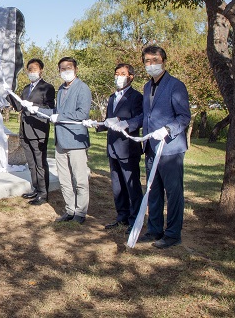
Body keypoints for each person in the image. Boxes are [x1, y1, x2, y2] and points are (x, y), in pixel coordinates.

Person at [111, 46, 190, 248]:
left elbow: (183, 117)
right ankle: (155, 230)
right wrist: (127, 123)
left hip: (171, 148)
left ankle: (172, 234)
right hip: (151, 147)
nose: (151, 64)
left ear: (164, 60)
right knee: (153, 190)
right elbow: (144, 116)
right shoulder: (147, 87)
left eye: (155, 60)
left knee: (173, 193)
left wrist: (167, 129)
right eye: (147, 61)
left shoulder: (175, 85)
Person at [33, 57, 92, 224]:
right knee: (64, 179)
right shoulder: (61, 89)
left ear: (76, 69)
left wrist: (60, 116)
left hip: (76, 141)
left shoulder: (82, 88)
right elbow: (56, 112)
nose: (65, 71)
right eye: (62, 68)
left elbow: (82, 114)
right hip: (61, 141)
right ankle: (69, 210)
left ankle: (80, 212)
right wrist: (39, 111)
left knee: (79, 179)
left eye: (68, 68)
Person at [85, 64, 143, 231]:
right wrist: (97, 124)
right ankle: (122, 216)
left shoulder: (136, 97)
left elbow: (138, 118)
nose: (119, 77)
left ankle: (135, 220)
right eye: (117, 73)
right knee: (117, 186)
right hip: (112, 148)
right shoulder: (112, 97)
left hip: (128, 149)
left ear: (131, 77)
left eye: (123, 74)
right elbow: (109, 121)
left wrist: (122, 121)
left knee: (132, 186)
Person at [8, 58, 55, 206]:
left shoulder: (47, 88)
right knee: (31, 163)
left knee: (40, 163)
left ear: (41, 70)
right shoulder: (26, 89)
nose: (32, 72)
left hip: (38, 130)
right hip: (25, 131)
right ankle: (36, 188)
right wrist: (8, 93)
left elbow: (49, 109)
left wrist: (33, 106)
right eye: (29, 70)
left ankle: (43, 193)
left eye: (34, 69)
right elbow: (19, 107)